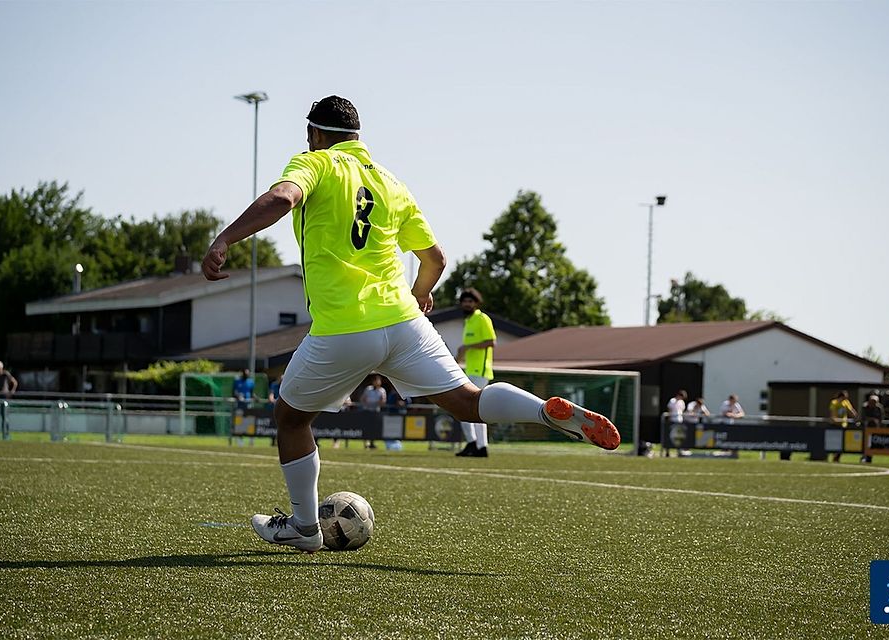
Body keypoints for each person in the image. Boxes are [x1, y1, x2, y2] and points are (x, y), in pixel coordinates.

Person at [201, 95, 620, 554]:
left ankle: (304, 528)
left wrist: (225, 238)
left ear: (315, 135)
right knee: (467, 402)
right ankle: (541, 411)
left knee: (290, 418)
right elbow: (435, 258)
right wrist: (421, 295)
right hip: (404, 322)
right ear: (358, 138)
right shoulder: (392, 183)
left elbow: (283, 197)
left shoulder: (316, 164)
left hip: (344, 327)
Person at [454, 287, 496, 458]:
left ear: (476, 303)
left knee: (467, 407)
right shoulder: (468, 322)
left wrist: (467, 347)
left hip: (480, 371)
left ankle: (475, 444)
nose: (467, 304)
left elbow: (491, 342)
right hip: (470, 370)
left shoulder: (482, 318)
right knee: (474, 409)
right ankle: (480, 446)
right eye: (464, 301)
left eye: (470, 301)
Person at [0, 360, 18, 439]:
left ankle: (6, 434)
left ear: (1, 368)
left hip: (4, 398)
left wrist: (12, 391)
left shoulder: (5, 374)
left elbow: (14, 382)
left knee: (5, 417)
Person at [359, 374, 387, 449]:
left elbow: (383, 402)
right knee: (366, 427)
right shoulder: (368, 389)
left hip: (376, 411)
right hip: (367, 411)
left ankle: (372, 443)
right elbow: (362, 399)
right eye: (376, 380)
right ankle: (365, 443)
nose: (377, 382)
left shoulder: (382, 391)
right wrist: (367, 403)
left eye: (378, 380)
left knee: (374, 428)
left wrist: (381, 401)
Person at [828, 391, 856, 462]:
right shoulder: (834, 402)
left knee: (842, 443)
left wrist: (856, 417)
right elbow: (833, 414)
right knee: (835, 442)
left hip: (843, 426)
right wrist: (835, 419)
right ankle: (834, 456)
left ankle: (837, 457)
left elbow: (851, 411)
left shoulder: (846, 402)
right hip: (835, 426)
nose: (846, 398)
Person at [860, 394, 884, 463]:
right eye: (872, 402)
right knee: (865, 443)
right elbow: (863, 418)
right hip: (866, 429)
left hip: (875, 429)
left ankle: (870, 457)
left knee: (872, 444)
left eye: (875, 402)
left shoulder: (879, 408)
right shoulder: (865, 407)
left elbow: (881, 419)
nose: (873, 404)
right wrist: (871, 419)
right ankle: (864, 457)